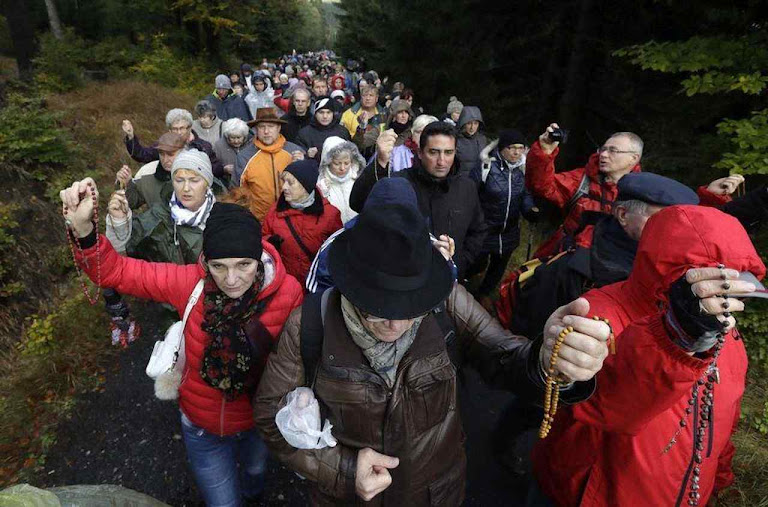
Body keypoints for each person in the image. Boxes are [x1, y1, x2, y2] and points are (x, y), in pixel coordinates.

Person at [253, 197, 613, 505]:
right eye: (376, 313)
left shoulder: (447, 302)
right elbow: (270, 415)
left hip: (435, 494)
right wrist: (343, 469)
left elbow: (503, 355)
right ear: (350, 288)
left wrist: (548, 360)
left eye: (411, 310)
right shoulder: (310, 323)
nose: (394, 325)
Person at [60, 182, 304, 507]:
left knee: (255, 476)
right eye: (219, 266)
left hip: (257, 421)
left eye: (243, 265)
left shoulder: (288, 294)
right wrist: (85, 232)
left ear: (258, 259)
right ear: (206, 262)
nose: (231, 279)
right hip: (201, 427)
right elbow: (118, 271)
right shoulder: (190, 283)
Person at [530, 205, 765, 506]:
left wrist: (719, 477)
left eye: (736, 290)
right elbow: (603, 405)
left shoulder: (728, 338)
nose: (725, 301)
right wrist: (675, 337)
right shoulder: (600, 314)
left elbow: (722, 418)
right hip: (596, 495)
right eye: (712, 288)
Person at [502, 172, 700, 338]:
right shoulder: (573, 270)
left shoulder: (679, 271)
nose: (674, 230)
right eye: (661, 218)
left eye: (680, 221)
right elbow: (531, 339)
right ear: (623, 215)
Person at [350, 121, 487, 279]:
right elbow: (358, 203)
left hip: (448, 277)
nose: (442, 161)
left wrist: (460, 262)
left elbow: (478, 231)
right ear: (420, 152)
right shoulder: (400, 183)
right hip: (405, 279)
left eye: (448, 152)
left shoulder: (466, 188)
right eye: (434, 152)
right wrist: (380, 163)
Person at [526, 123, 644, 257]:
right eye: (603, 149)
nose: (603, 155)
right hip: (563, 257)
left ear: (633, 158)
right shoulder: (582, 180)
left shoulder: (643, 193)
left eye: (613, 150)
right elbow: (541, 186)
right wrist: (544, 152)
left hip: (609, 267)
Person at [106, 149, 215, 265]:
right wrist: (120, 223)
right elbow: (123, 259)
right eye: (179, 180)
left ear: (207, 183)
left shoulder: (223, 217)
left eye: (194, 181)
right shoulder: (157, 216)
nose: (186, 188)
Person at [468, 129, 537, 305]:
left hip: (509, 231)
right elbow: (469, 193)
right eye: (512, 148)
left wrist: (530, 210)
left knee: (498, 267)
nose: (516, 152)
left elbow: (525, 195)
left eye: (520, 148)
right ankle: (464, 286)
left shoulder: (523, 170)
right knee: (476, 263)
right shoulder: (486, 166)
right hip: (485, 229)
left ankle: (483, 294)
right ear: (501, 148)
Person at [262, 160, 342, 284]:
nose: (284, 187)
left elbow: (337, 250)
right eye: (284, 182)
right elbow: (263, 240)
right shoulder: (274, 211)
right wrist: (270, 242)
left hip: (317, 282)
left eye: (290, 183)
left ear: (306, 185)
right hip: (286, 282)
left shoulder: (330, 214)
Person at [235, 108, 305, 220]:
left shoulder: (295, 152)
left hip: (291, 219)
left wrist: (303, 165)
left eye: (271, 126)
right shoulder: (244, 157)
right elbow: (237, 192)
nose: (266, 131)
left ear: (279, 128)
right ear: (256, 129)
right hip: (258, 221)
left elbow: (308, 188)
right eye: (262, 127)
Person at [121, 109, 224, 177]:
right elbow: (142, 155)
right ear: (169, 130)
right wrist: (131, 136)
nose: (179, 133)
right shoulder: (164, 145)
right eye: (175, 129)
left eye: (182, 128)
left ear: (190, 127)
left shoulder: (204, 146)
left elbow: (217, 167)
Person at [116, 132, 186, 211]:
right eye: (162, 154)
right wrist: (126, 183)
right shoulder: (147, 173)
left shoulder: (196, 175)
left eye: (170, 154)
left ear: (182, 152)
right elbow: (131, 203)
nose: (165, 160)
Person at [317, 136, 364, 224]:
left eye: (346, 163)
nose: (342, 168)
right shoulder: (321, 185)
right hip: (335, 232)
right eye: (337, 163)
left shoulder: (358, 179)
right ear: (328, 162)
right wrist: (322, 193)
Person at [341, 84, 388, 159]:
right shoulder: (348, 114)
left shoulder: (384, 115)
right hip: (353, 153)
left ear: (376, 98)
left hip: (377, 154)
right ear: (361, 97)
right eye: (365, 95)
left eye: (371, 95)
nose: (368, 98)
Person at [213, 118, 252, 187]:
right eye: (232, 138)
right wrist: (223, 169)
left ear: (244, 136)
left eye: (238, 137)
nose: (236, 141)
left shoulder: (251, 145)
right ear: (227, 136)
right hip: (226, 184)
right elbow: (213, 166)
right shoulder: (219, 146)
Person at [455, 106, 487, 177]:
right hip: (460, 181)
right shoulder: (455, 139)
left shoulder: (482, 139)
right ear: (463, 123)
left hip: (479, 181)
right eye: (469, 123)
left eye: (475, 123)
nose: (472, 127)